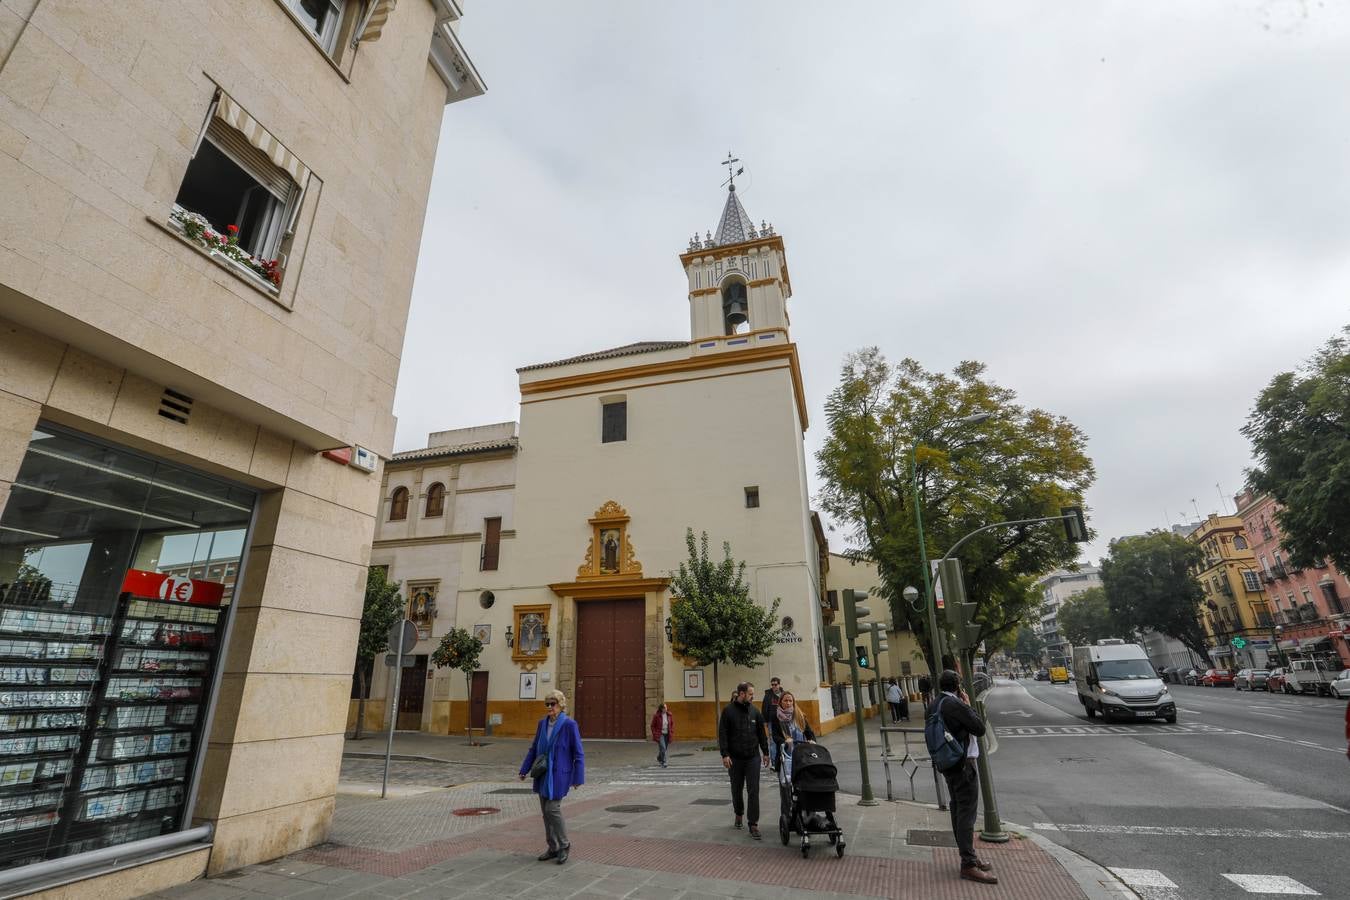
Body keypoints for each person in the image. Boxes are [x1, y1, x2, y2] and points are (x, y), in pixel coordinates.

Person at [929, 670, 996, 885]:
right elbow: (979, 728)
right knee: (966, 813)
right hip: (963, 764)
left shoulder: (934, 704)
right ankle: (968, 864)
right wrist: (967, 704)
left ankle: (969, 856)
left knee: (958, 809)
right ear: (958, 685)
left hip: (947, 763)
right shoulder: (954, 704)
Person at [519, 690, 585, 865]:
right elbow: (534, 748)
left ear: (561, 705)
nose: (549, 707)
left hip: (559, 775)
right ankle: (553, 847)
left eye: (553, 703)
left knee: (552, 809)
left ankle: (564, 845)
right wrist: (524, 769)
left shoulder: (569, 725)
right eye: (547, 704)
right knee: (545, 813)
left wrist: (578, 777)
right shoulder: (542, 724)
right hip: (542, 774)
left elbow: (578, 753)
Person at [718, 681, 769, 839]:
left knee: (753, 790)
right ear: (742, 694)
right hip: (735, 758)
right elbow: (723, 734)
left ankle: (753, 824)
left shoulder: (755, 711)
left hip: (753, 757)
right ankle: (739, 813)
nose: (753, 696)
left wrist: (765, 753)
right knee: (736, 789)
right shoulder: (728, 711)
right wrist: (725, 754)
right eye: (750, 694)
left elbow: (761, 733)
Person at [761, 677, 785, 768]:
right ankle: (775, 763)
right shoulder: (768, 695)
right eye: (772, 684)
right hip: (771, 721)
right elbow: (764, 708)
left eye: (775, 684)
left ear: (779, 684)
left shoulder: (783, 694)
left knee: (784, 740)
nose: (774, 686)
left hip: (783, 721)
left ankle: (784, 759)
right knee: (772, 742)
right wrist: (765, 721)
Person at [650, 701, 674, 768]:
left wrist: (671, 731)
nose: (666, 709)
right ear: (661, 709)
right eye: (664, 708)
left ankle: (659, 758)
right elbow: (652, 726)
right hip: (660, 734)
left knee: (664, 749)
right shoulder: (657, 716)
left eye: (666, 707)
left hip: (667, 734)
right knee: (663, 748)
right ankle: (664, 762)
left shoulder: (669, 715)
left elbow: (671, 724)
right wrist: (655, 733)